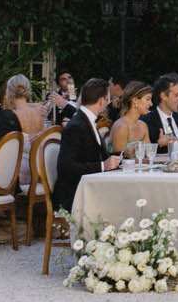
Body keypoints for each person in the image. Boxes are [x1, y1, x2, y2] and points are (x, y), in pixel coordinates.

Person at [50, 78, 117, 213]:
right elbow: (66, 168)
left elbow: (98, 155)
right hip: (74, 194)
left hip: (90, 187)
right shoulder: (76, 126)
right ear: (101, 100)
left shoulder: (88, 121)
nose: (108, 104)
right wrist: (104, 165)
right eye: (108, 100)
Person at [144, 73, 178, 145]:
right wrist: (159, 144)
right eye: (176, 95)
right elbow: (142, 152)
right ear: (163, 96)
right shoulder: (147, 122)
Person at [108, 81, 153, 154]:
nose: (151, 104)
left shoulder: (143, 126)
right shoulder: (121, 127)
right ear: (135, 100)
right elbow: (119, 161)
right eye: (147, 99)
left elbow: (149, 155)